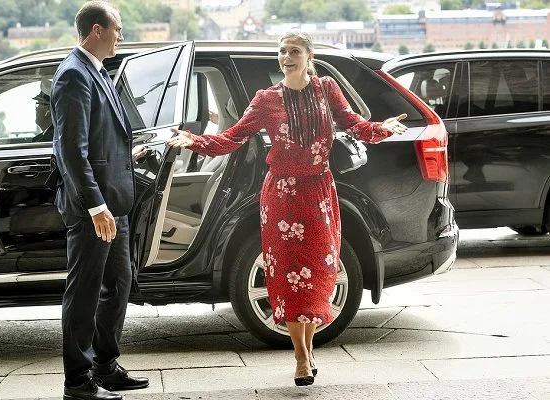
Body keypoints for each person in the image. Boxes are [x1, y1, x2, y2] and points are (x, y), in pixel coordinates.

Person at [168, 31, 408, 386]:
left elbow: (355, 125)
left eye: (294, 51)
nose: (286, 57)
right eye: (282, 52)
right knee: (288, 277)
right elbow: (232, 137)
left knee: (318, 273)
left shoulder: (327, 89)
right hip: (282, 196)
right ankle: (300, 357)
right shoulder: (266, 99)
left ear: (309, 56)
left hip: (319, 193)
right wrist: (194, 139)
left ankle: (308, 349)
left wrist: (381, 128)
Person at [50, 2, 148, 399]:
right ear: (96, 30)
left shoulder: (97, 69)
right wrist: (95, 206)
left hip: (115, 203)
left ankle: (106, 365)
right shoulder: (73, 75)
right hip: (95, 209)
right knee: (85, 291)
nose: (120, 36)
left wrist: (132, 154)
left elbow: (102, 139)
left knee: (118, 284)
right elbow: (71, 149)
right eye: (117, 29)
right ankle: (78, 378)